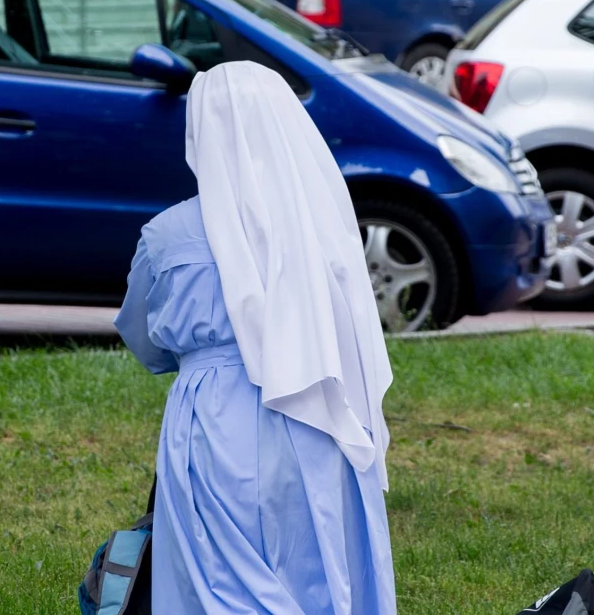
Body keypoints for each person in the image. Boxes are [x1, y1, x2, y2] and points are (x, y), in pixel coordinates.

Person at [114, 61, 398, 614]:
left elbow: (142, 337)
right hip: (320, 406)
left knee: (216, 570)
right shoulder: (322, 227)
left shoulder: (167, 233)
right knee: (316, 560)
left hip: (213, 415)